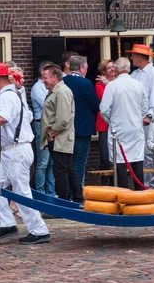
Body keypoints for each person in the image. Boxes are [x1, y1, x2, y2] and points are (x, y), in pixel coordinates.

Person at [0, 62, 50, 245]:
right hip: (12, 150)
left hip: (16, 150)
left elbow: (2, 119)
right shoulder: (12, 94)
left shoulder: (7, 96)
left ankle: (39, 230)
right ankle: (7, 223)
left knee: (21, 192)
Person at [100, 57, 148, 190]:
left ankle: (124, 195)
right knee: (137, 163)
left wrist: (112, 120)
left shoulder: (112, 86)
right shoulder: (139, 85)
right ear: (128, 69)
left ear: (116, 69)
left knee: (120, 163)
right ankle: (140, 195)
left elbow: (104, 109)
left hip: (118, 130)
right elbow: (144, 108)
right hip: (136, 129)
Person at [39, 64, 84, 203]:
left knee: (61, 171)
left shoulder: (61, 92)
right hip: (59, 138)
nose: (43, 80)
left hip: (59, 139)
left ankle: (63, 202)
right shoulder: (57, 91)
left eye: (45, 77)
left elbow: (63, 119)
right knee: (67, 169)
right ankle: (77, 199)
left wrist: (50, 134)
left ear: (54, 77)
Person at [126, 44, 154, 189]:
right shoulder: (134, 74)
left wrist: (150, 115)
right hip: (135, 120)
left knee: (149, 153)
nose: (131, 58)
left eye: (133, 55)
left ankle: (152, 186)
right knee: (137, 153)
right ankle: (141, 184)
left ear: (141, 57)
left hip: (146, 121)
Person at [63, 55, 100, 186]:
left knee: (67, 162)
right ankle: (78, 191)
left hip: (65, 129)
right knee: (79, 161)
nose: (87, 71)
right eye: (86, 68)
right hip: (82, 129)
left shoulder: (62, 82)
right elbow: (96, 105)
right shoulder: (86, 83)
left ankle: (67, 191)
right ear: (80, 68)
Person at [31, 60, 55, 196]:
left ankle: (51, 193)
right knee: (43, 162)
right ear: (42, 72)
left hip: (51, 125)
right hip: (42, 124)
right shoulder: (37, 88)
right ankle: (40, 193)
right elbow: (47, 104)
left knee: (51, 162)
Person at [95, 59, 117, 178]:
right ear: (103, 71)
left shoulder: (120, 82)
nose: (113, 69)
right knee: (105, 155)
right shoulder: (99, 84)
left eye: (114, 66)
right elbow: (106, 101)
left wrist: (108, 85)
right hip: (104, 124)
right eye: (109, 68)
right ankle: (105, 186)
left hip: (118, 123)